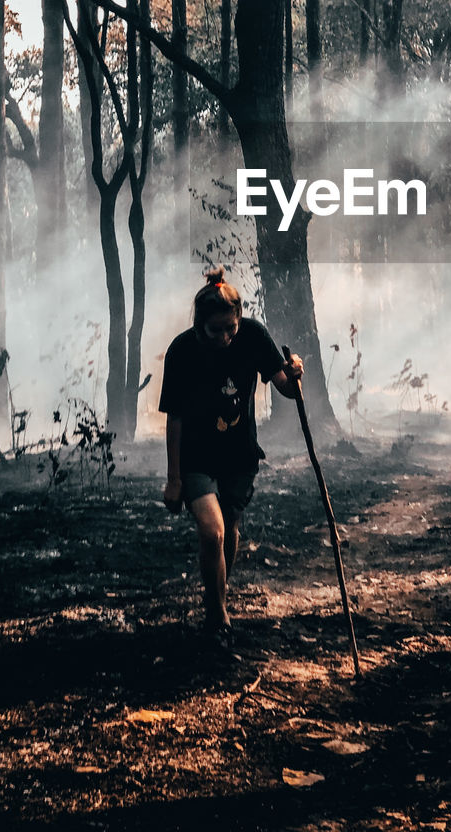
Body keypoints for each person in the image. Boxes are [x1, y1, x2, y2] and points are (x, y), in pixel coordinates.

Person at [159, 267, 303, 646]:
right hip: (196, 456)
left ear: (239, 320)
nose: (225, 337)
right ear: (199, 324)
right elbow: (174, 418)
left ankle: (217, 595)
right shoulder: (182, 351)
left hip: (239, 453)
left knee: (230, 530)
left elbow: (285, 387)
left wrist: (295, 372)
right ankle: (217, 611)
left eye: (231, 328)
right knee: (212, 530)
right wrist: (174, 479)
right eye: (215, 330)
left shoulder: (253, 336)